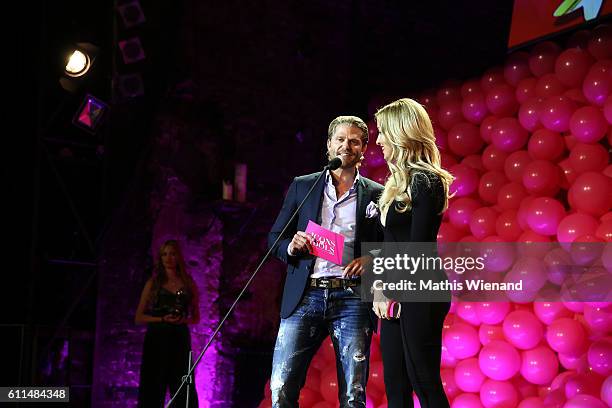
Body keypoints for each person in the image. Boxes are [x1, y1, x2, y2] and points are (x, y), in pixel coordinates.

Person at [268, 116, 384, 408]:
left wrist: (370, 259)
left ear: (363, 149)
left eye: (354, 141)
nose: (347, 145)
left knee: (353, 394)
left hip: (352, 297)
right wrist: (291, 247)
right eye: (340, 139)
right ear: (329, 145)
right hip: (305, 294)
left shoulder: (376, 193)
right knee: (281, 389)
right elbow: (275, 239)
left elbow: (389, 245)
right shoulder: (303, 186)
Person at [372, 98, 454, 408]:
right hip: (394, 288)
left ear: (400, 134)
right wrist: (379, 287)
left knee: (423, 380)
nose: (378, 140)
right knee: (395, 383)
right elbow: (389, 245)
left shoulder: (426, 181)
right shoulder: (396, 183)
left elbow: (418, 249)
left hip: (420, 290)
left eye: (383, 132)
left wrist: (389, 290)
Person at [135, 239, 200, 407]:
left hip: (179, 338)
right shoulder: (153, 283)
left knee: (182, 384)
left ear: (178, 256)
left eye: (172, 254)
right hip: (157, 338)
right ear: (160, 258)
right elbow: (139, 317)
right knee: (153, 384)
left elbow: (196, 318)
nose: (168, 258)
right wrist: (162, 319)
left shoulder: (188, 284)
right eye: (164, 254)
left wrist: (181, 320)